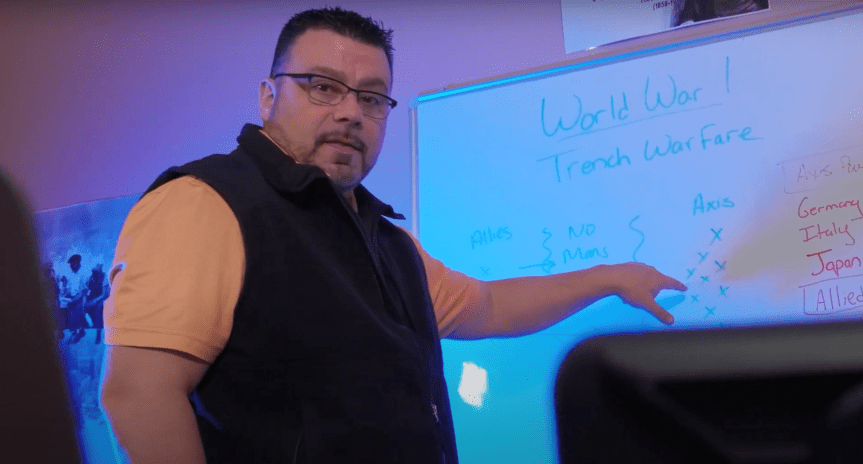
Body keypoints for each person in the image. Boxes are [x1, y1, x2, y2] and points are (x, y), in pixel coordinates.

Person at [99, 7, 687, 464]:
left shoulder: (382, 241)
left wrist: (610, 277)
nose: (351, 112)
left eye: (372, 97)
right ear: (268, 95)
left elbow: (489, 306)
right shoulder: (205, 203)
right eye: (322, 86)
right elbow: (138, 393)